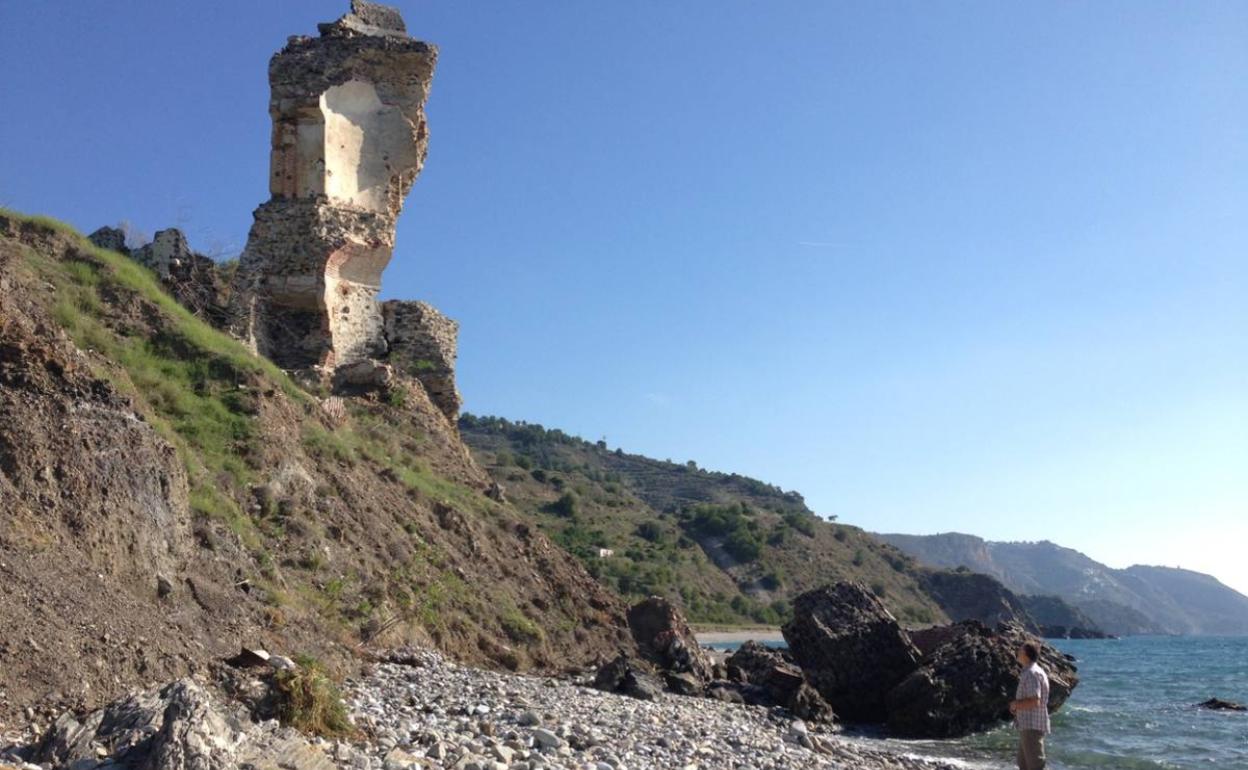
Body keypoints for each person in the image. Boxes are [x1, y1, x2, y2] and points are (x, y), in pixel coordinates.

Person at [1009, 641, 1051, 770]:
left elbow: (1035, 700)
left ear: (1026, 654)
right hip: (1028, 724)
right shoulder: (1032, 671)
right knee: (1023, 763)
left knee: (1035, 764)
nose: (1017, 652)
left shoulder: (1031, 673)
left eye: (1020, 650)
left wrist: (1016, 705)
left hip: (1032, 724)